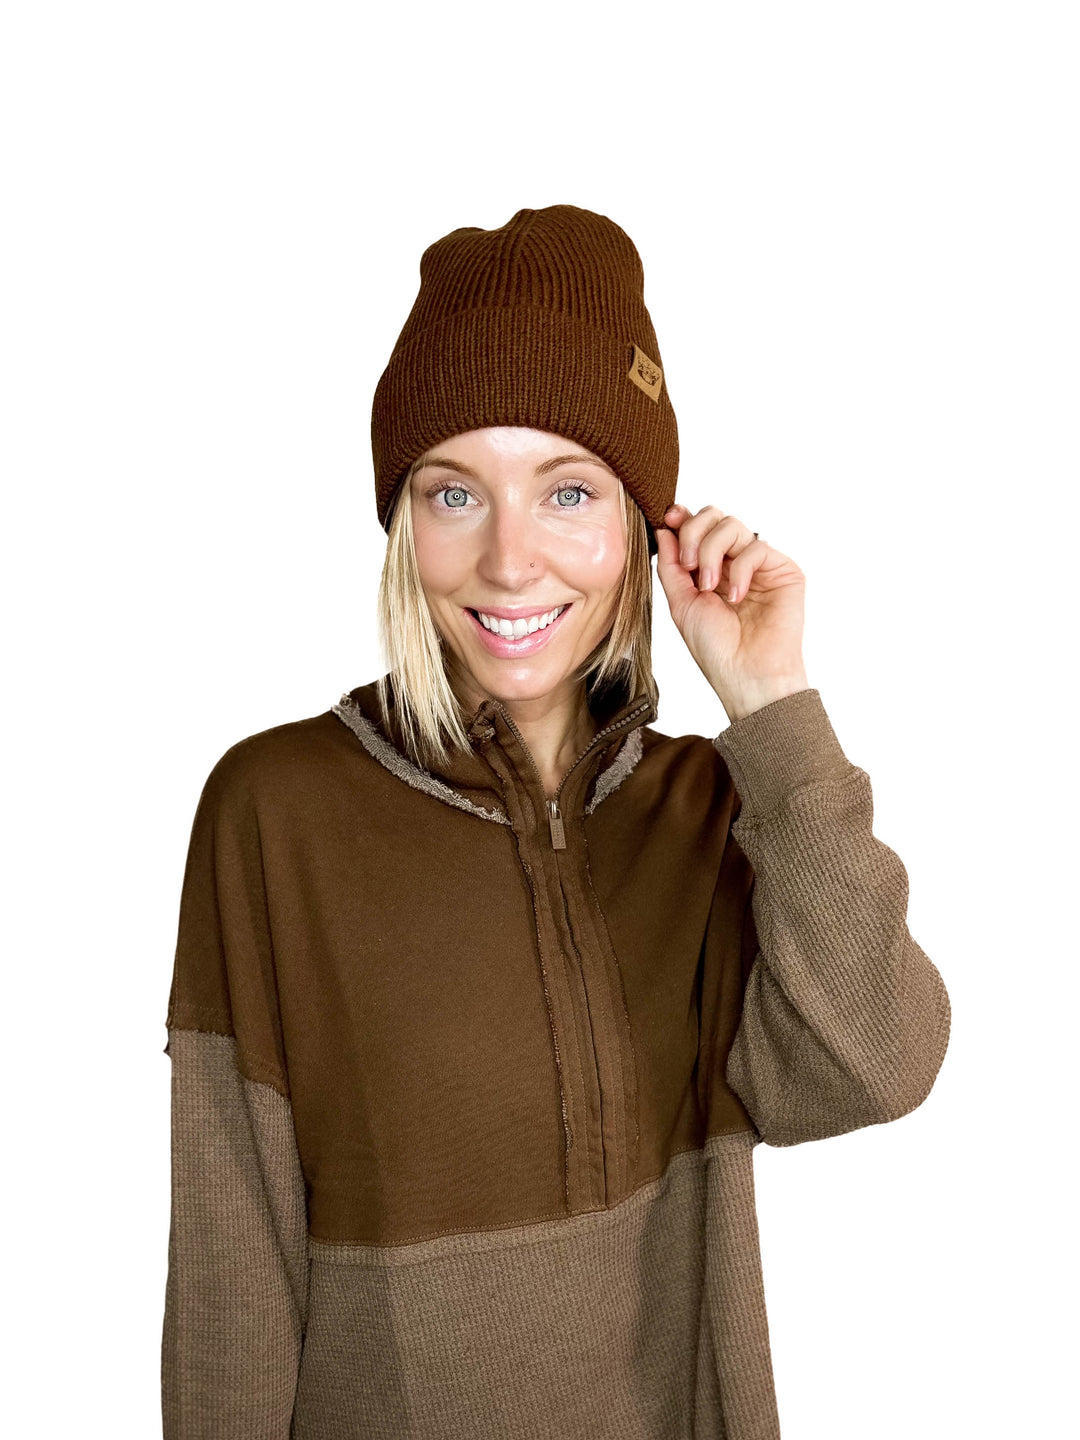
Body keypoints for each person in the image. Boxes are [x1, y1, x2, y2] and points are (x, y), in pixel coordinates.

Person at [160, 204, 951, 1439]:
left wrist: (775, 710)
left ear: (645, 525)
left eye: (568, 490)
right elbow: (231, 1268)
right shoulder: (275, 809)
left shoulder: (714, 810)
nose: (511, 561)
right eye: (453, 493)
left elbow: (872, 1069)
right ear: (403, 525)